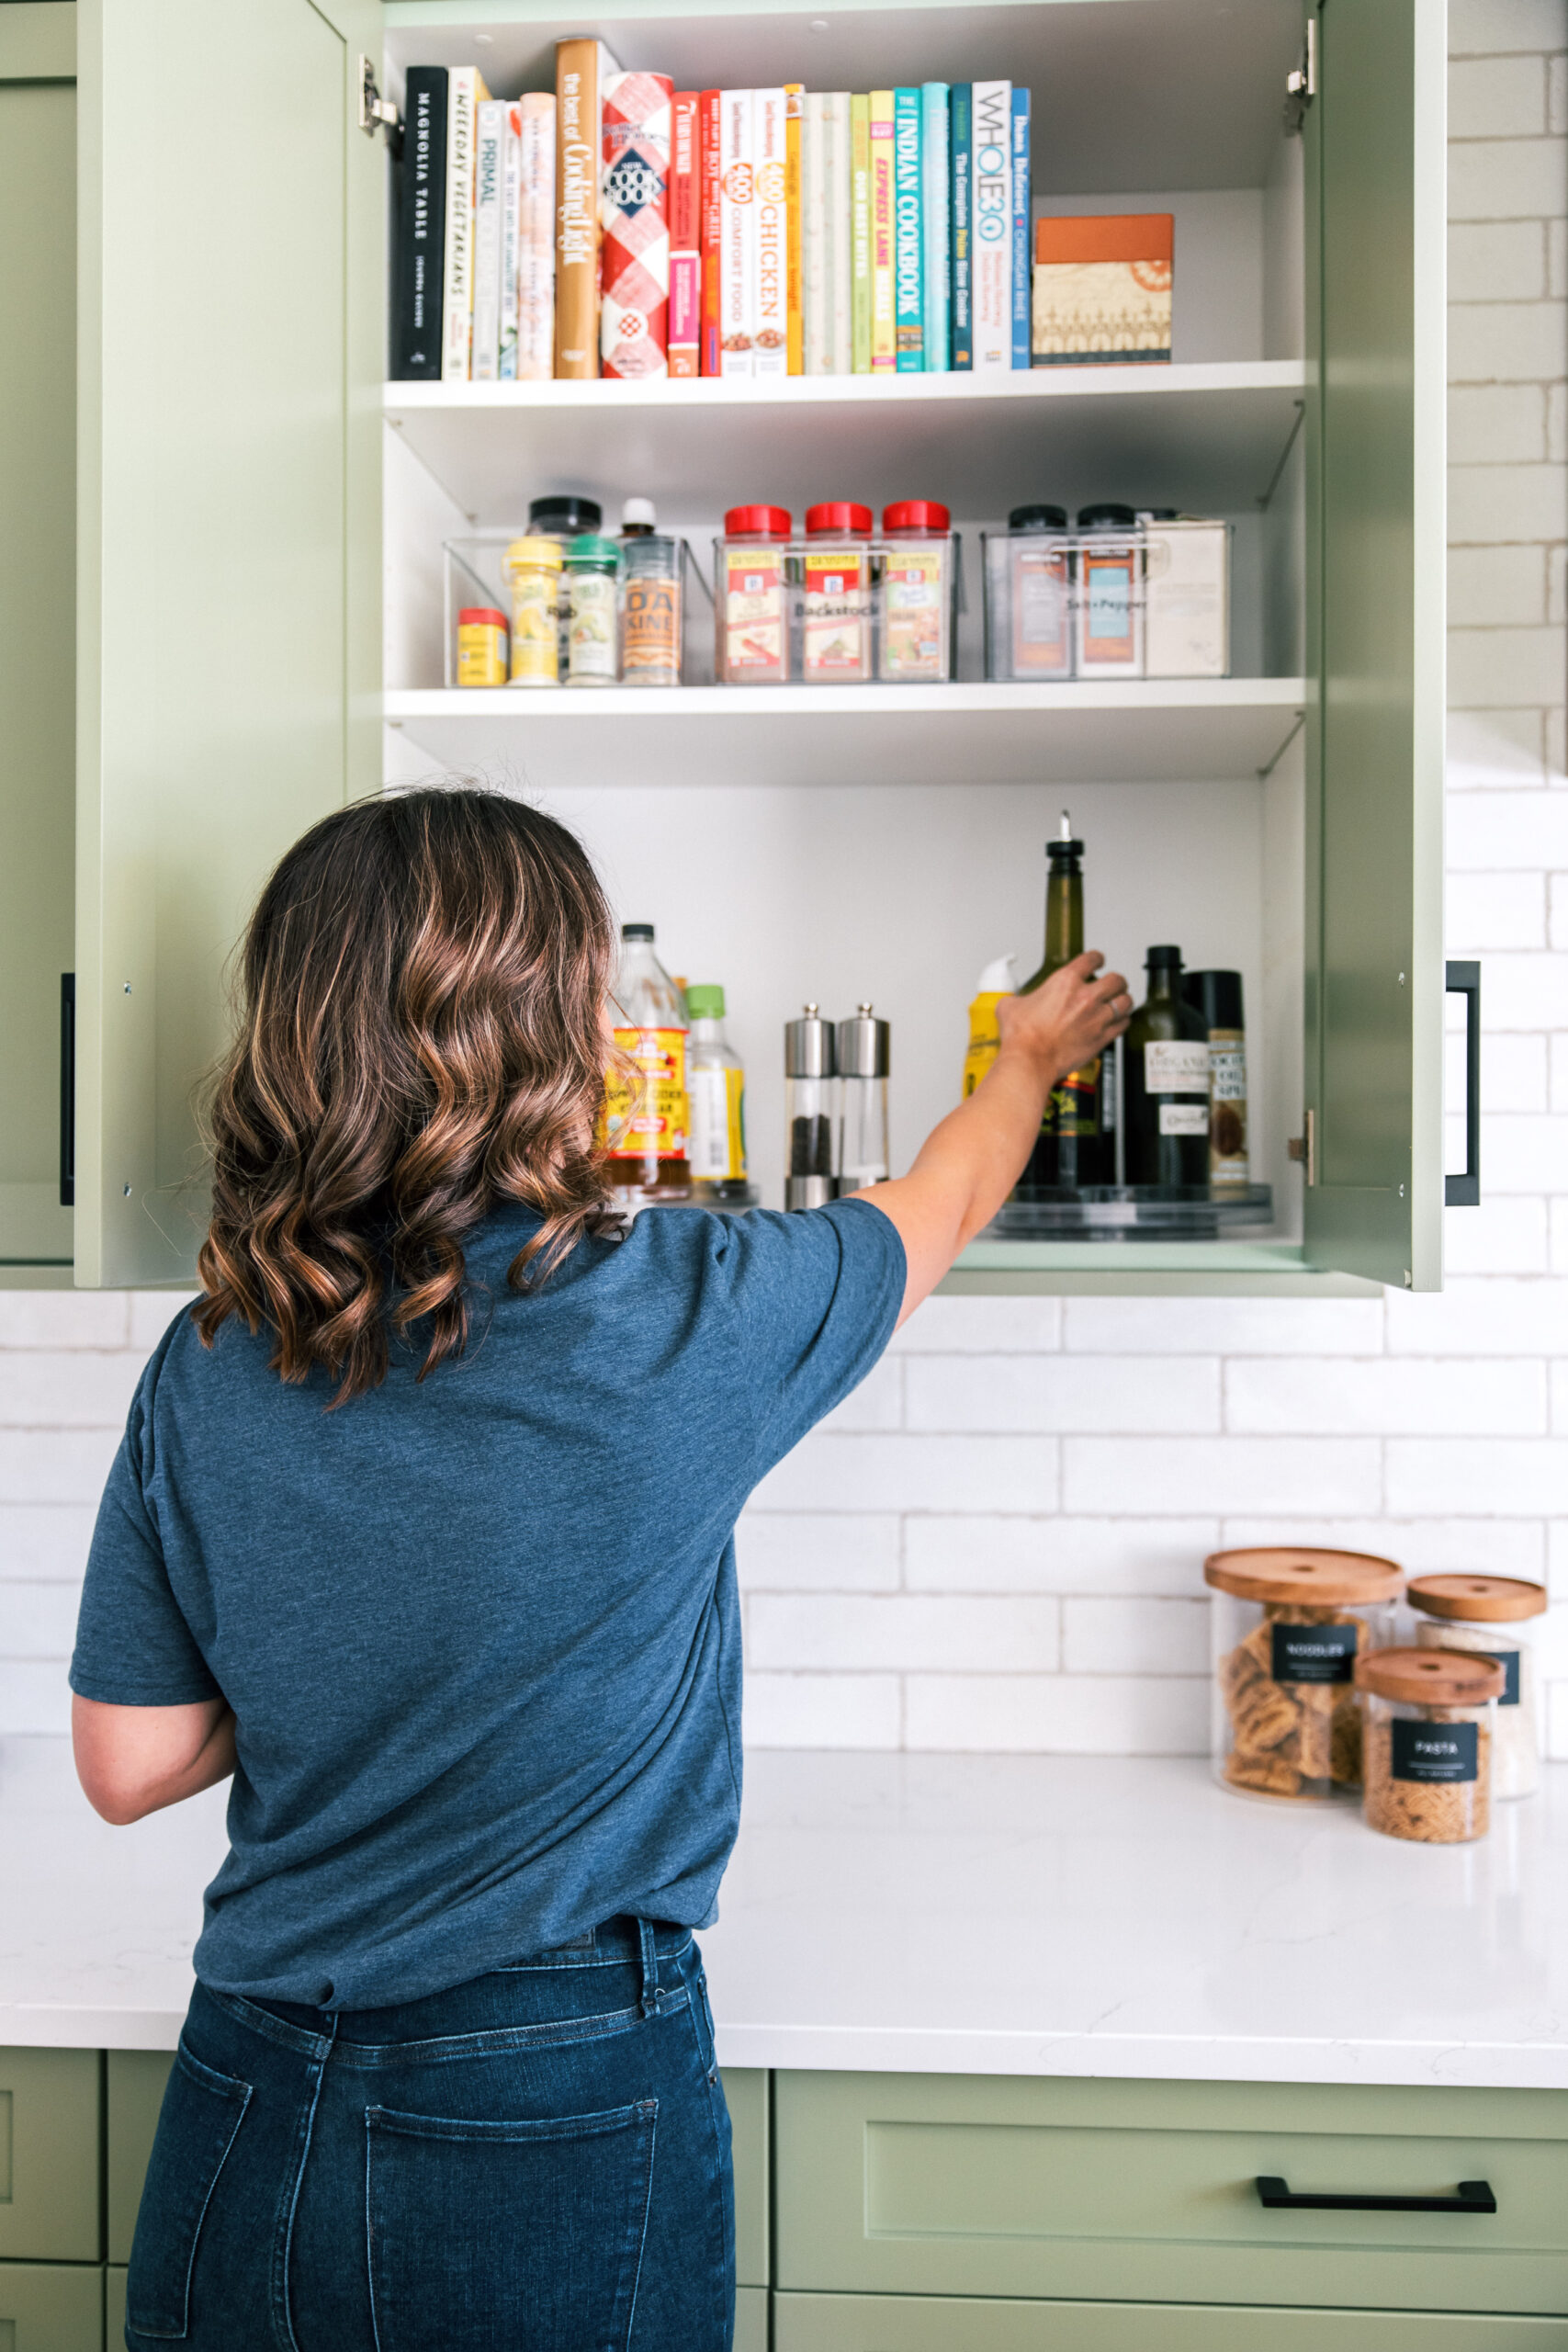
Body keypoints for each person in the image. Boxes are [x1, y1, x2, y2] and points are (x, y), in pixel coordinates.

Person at [70, 788, 1128, 2352]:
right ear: (561, 1030)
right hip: (547, 2094)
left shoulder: (217, 1348)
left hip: (248, 2082)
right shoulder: (694, 1308)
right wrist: (1028, 1056)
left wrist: (344, 1651)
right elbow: (949, 1196)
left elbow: (129, 1759)